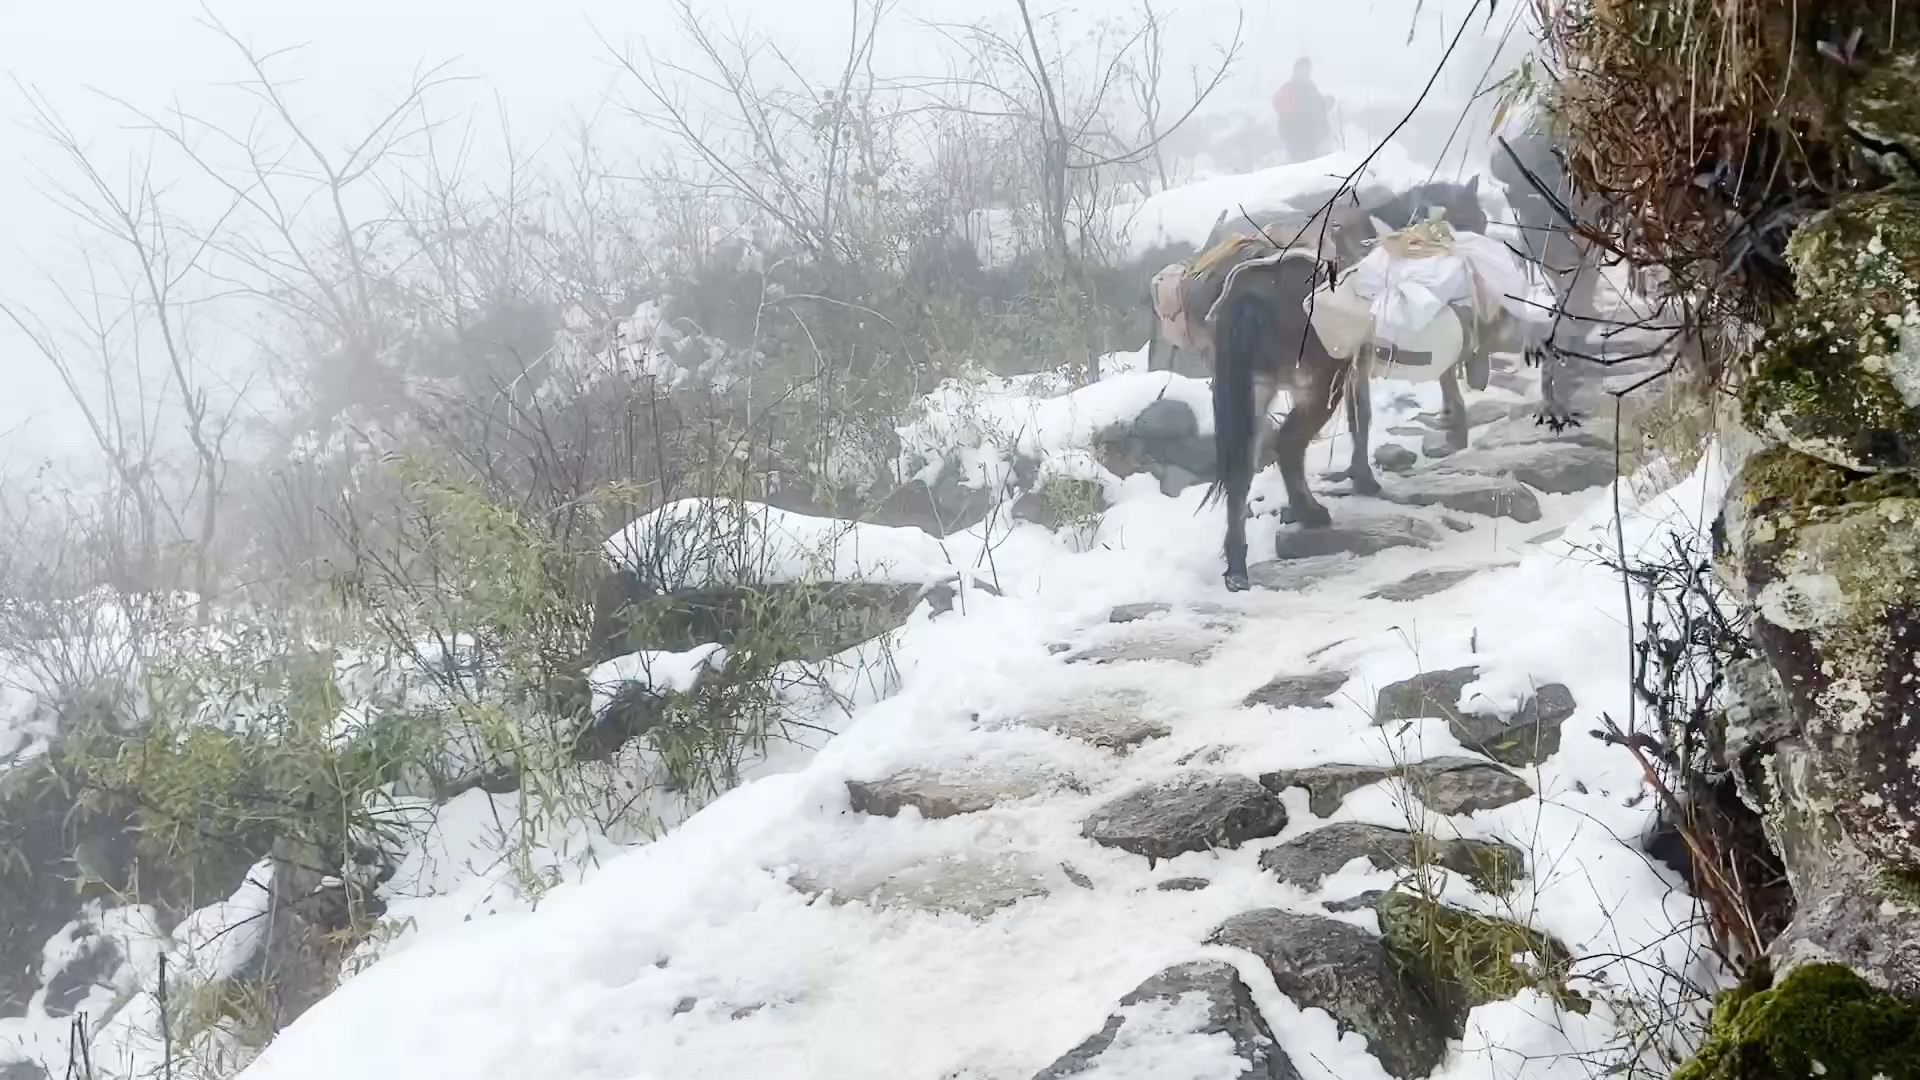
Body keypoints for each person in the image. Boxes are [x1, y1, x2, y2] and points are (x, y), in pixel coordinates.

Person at [1273, 58, 1333, 163]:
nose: (1305, 72)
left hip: (1309, 136)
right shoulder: (1291, 88)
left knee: (1306, 166)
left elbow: (1318, 107)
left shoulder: (1310, 87)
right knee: (1303, 166)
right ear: (1295, 70)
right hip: (1297, 136)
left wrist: (1327, 102)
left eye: (1306, 69)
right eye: (1302, 69)